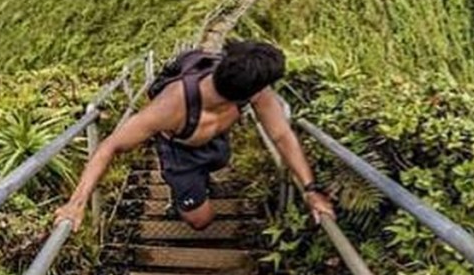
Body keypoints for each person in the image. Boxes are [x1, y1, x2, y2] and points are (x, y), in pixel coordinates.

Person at [53, 40, 336, 231]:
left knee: (219, 160)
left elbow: (282, 136)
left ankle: (203, 179)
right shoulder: (171, 106)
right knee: (202, 221)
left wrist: (310, 190)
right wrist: (76, 204)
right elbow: (110, 146)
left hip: (214, 144)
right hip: (180, 151)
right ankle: (181, 200)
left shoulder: (255, 92)